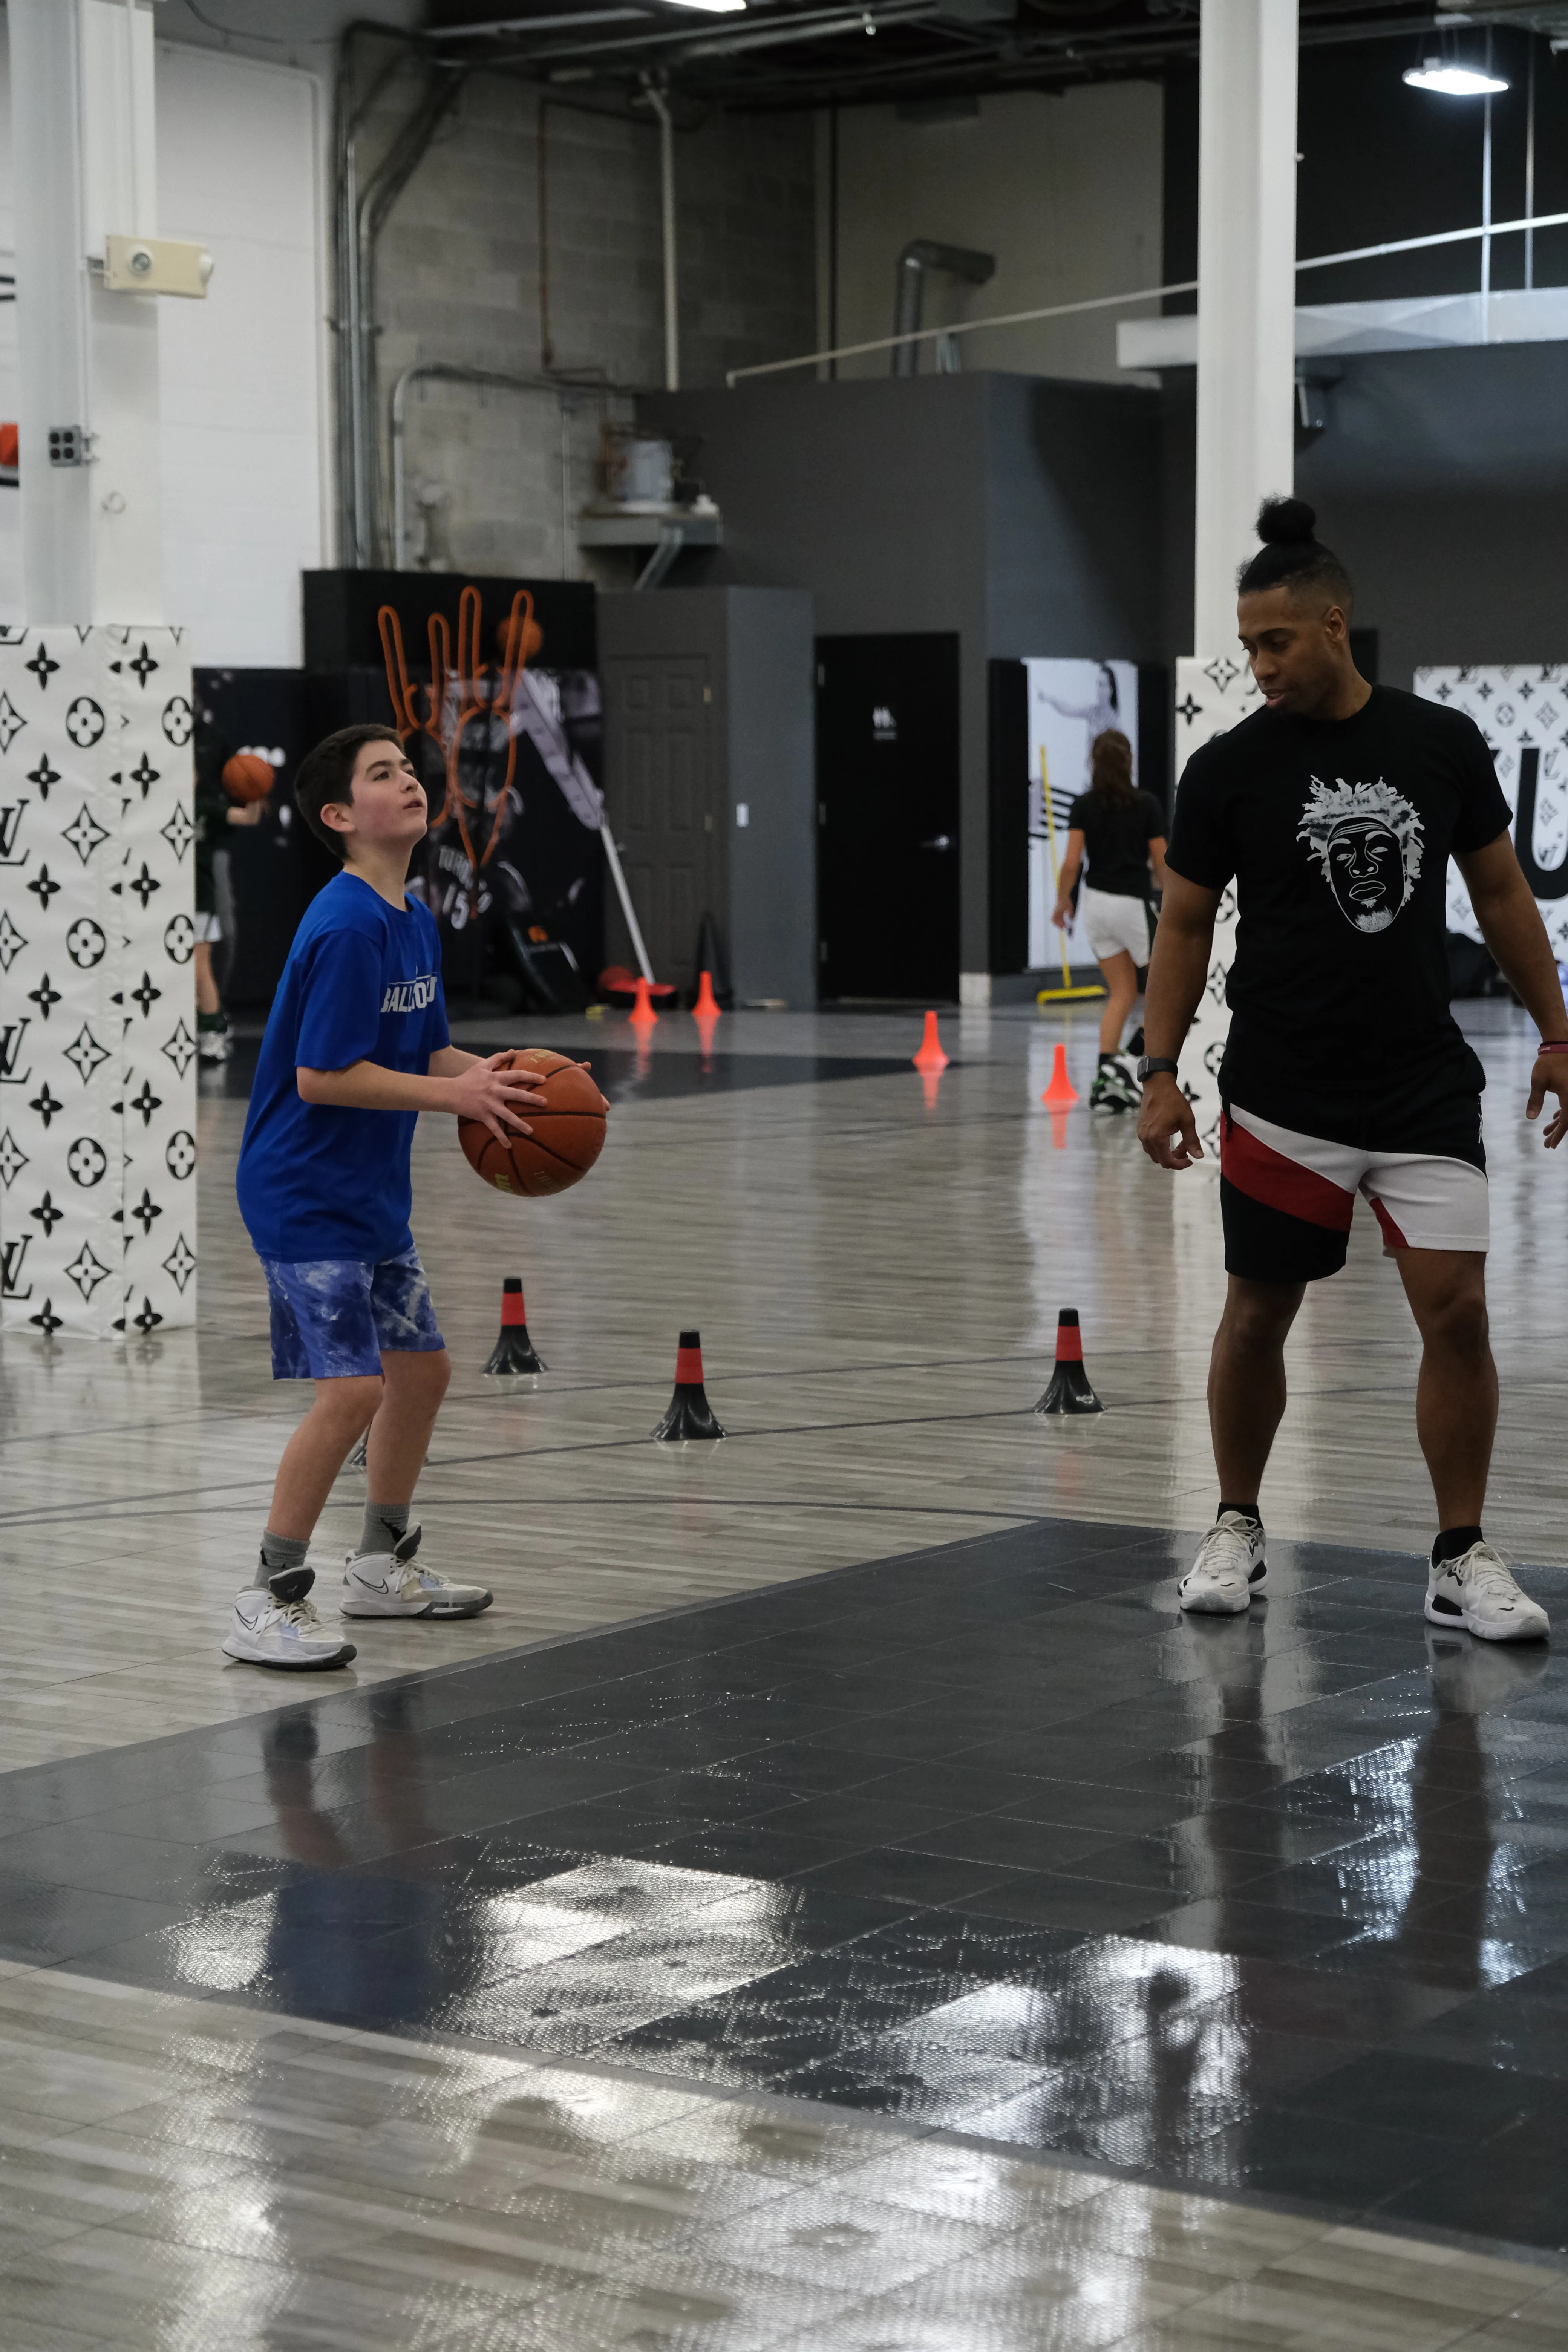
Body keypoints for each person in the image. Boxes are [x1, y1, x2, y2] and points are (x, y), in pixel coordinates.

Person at [1137, 497, 1568, 1641]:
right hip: (1284, 1091)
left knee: (1459, 1314)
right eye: (1248, 647)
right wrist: (1158, 1068)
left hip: (1422, 1085)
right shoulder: (1226, 770)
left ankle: (1458, 1552)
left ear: (1334, 623)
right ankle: (1234, 1521)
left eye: (1275, 642)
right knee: (1256, 1313)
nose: (1259, 666)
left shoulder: (1435, 743)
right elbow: (1181, 929)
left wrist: (1558, 1035)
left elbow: (1501, 894)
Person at [224, 723, 552, 1669]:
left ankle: (380, 1567)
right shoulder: (345, 923)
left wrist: (499, 1075)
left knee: (422, 1372)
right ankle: (267, 1594)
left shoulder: (410, 915)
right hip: (301, 1191)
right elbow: (324, 1074)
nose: (410, 781)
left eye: (410, 769)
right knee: (354, 1389)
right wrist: (453, 1094)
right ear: (339, 816)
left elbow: (422, 1051)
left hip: (366, 1190)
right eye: (383, 774)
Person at [1052, 729, 1168, 1112]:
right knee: (1164, 989)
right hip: (1132, 906)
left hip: (1096, 905)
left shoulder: (1083, 805)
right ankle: (1127, 1061)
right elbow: (1159, 861)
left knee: (1120, 994)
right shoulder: (1145, 804)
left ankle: (1105, 1081)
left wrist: (1061, 902)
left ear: (1094, 763)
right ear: (1128, 761)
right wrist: (1174, 903)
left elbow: (1072, 862)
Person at [192, 723, 264, 1063]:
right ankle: (213, 1020)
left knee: (199, 964)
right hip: (167, 900)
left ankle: (211, 1031)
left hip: (199, 898)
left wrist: (256, 789)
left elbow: (249, 819)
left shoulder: (205, 807)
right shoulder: (157, 809)